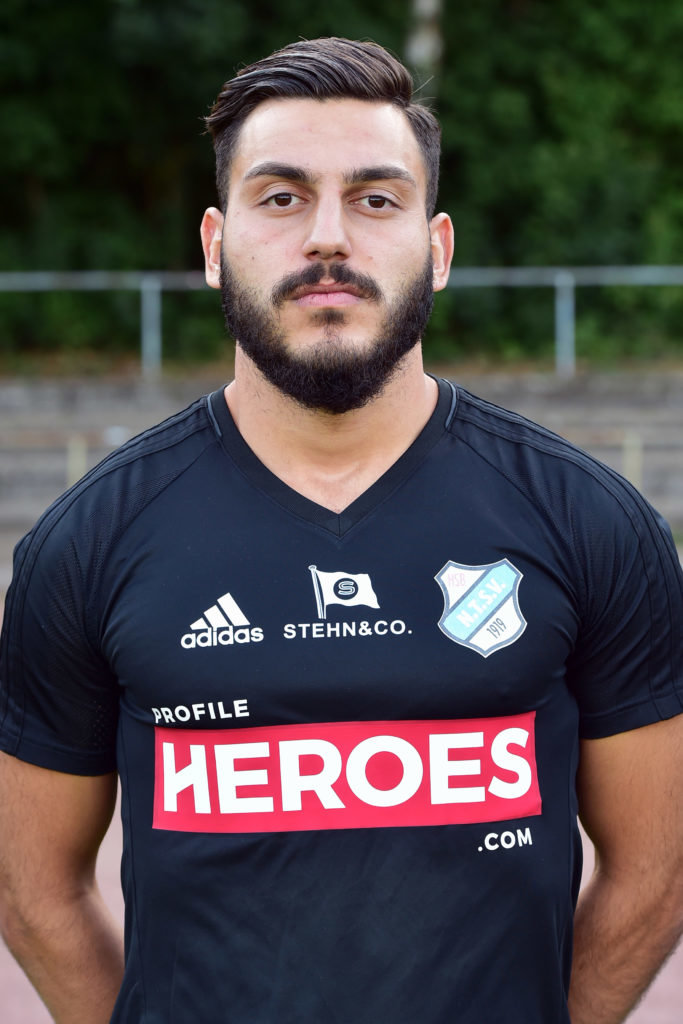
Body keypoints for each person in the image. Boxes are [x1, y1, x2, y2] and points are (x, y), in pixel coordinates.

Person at [0, 36, 682, 1024]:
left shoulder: (588, 521)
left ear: (436, 249)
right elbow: (33, 888)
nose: (328, 237)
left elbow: (656, 868)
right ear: (213, 245)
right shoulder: (89, 540)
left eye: (375, 199)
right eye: (280, 197)